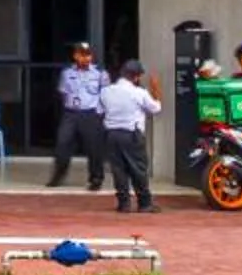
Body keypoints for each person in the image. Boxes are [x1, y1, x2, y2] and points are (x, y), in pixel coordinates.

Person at [100, 57, 162, 215]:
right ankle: (144, 204)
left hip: (112, 135)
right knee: (138, 169)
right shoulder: (138, 92)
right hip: (132, 135)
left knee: (118, 170)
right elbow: (155, 109)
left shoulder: (106, 91)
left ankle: (124, 203)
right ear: (136, 76)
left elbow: (99, 111)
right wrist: (156, 90)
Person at [44, 40, 107, 191]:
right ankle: (58, 176)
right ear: (75, 56)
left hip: (91, 113)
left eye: (88, 55)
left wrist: (100, 113)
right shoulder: (67, 73)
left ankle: (96, 178)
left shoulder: (100, 73)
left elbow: (106, 94)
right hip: (71, 113)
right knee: (62, 144)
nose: (85, 58)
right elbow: (63, 93)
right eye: (81, 55)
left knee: (94, 148)